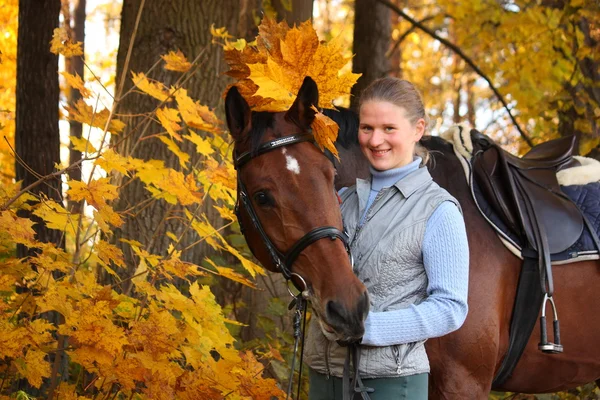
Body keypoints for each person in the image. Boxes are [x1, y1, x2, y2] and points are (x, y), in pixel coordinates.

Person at [304, 77, 470, 399]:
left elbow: (450, 308)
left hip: (390, 383)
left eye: (389, 129)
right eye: (367, 128)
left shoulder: (438, 210)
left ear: (418, 129)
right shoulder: (342, 199)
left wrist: (370, 329)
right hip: (323, 374)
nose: (375, 139)